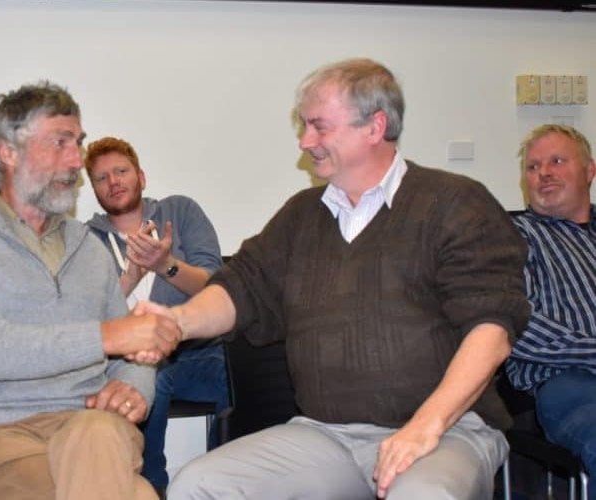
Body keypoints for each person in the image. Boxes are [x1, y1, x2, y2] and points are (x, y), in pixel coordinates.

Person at [143, 58, 530, 500]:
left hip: (448, 429)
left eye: (319, 127)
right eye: (304, 127)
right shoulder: (301, 216)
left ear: (374, 126)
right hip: (328, 435)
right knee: (199, 486)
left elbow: (492, 330)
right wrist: (175, 323)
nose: (305, 142)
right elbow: (239, 288)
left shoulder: (455, 202)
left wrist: (425, 427)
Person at [0, 81, 182, 500]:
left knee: (96, 432)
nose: (76, 161)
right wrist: (109, 336)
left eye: (78, 144)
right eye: (60, 143)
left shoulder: (88, 247)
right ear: (7, 151)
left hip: (93, 425)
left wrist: (134, 386)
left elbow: (130, 358)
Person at [84, 136, 228, 497]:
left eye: (121, 171)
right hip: (128, 361)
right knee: (149, 376)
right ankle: (150, 489)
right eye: (102, 178)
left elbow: (215, 285)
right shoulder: (84, 240)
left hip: (196, 353)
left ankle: (223, 483)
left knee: (242, 368)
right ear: (94, 191)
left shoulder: (180, 212)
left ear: (141, 177)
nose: (113, 182)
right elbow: (87, 318)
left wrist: (165, 265)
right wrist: (131, 275)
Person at [504, 124, 596, 499]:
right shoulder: (513, 236)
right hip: (566, 381)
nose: (543, 173)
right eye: (533, 166)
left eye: (557, 161)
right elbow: (516, 320)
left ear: (589, 170)